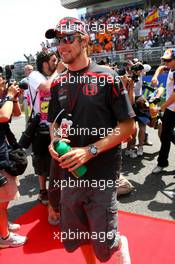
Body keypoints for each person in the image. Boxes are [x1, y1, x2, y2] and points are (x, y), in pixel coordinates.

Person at [46, 17, 135, 263]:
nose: (61, 45)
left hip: (102, 175)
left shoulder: (108, 77)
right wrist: (54, 143)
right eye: (58, 40)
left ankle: (118, 242)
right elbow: (55, 125)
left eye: (67, 39)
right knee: (79, 237)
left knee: (105, 246)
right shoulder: (58, 84)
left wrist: (89, 150)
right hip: (69, 175)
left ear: (84, 40)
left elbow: (128, 126)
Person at [27, 51, 61, 205]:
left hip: (57, 124)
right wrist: (59, 71)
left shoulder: (55, 74)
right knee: (41, 160)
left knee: (59, 158)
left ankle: (58, 190)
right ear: (45, 63)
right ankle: (43, 191)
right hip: (40, 126)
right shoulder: (35, 75)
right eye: (54, 60)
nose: (57, 62)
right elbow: (46, 88)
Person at [0, 74, 27, 248]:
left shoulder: (4, 99)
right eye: (1, 82)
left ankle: (3, 226)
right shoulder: (4, 100)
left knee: (5, 199)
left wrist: (14, 99)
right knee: (1, 201)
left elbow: (16, 113)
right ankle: (4, 238)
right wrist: (9, 96)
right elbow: (3, 116)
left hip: (5, 153)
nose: (3, 84)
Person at [152, 48, 175, 173]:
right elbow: (161, 68)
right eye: (164, 60)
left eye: (168, 60)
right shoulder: (171, 67)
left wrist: (161, 107)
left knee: (167, 135)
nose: (165, 62)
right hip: (171, 110)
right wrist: (155, 77)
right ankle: (162, 163)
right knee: (166, 136)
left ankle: (161, 163)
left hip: (171, 109)